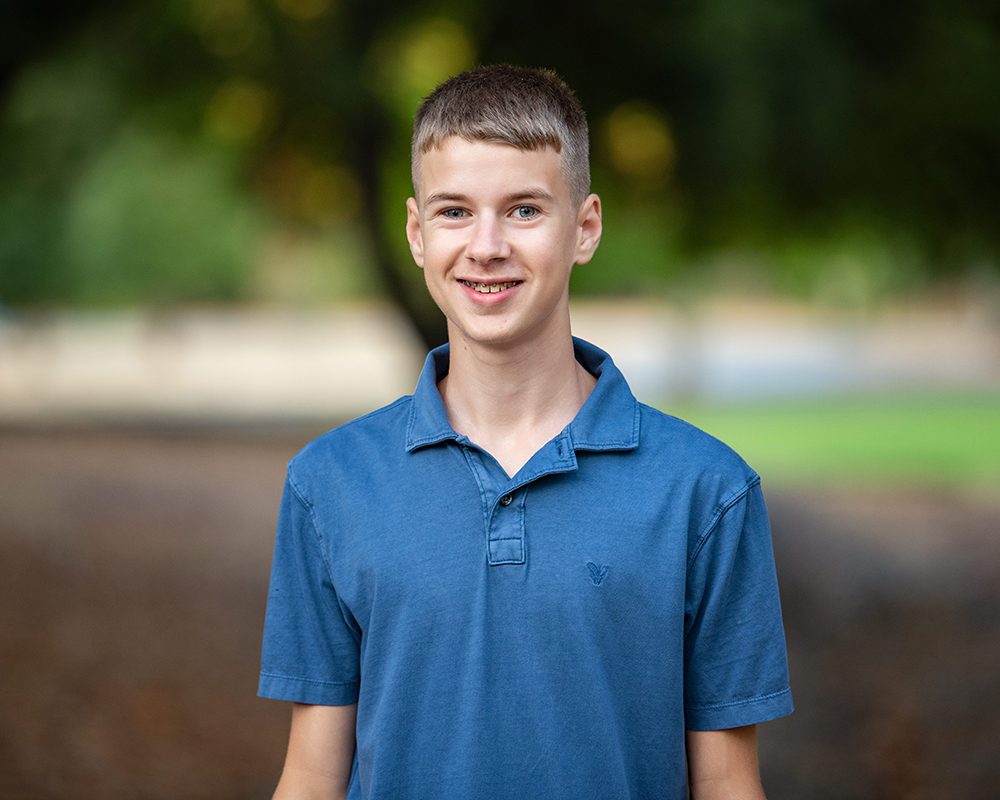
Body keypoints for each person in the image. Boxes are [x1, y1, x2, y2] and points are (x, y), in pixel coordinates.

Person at [258, 64, 793, 800]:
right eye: (454, 212)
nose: (486, 245)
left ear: (586, 227)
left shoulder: (707, 492)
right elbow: (313, 773)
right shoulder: (329, 484)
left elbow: (729, 783)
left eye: (523, 211)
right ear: (416, 234)